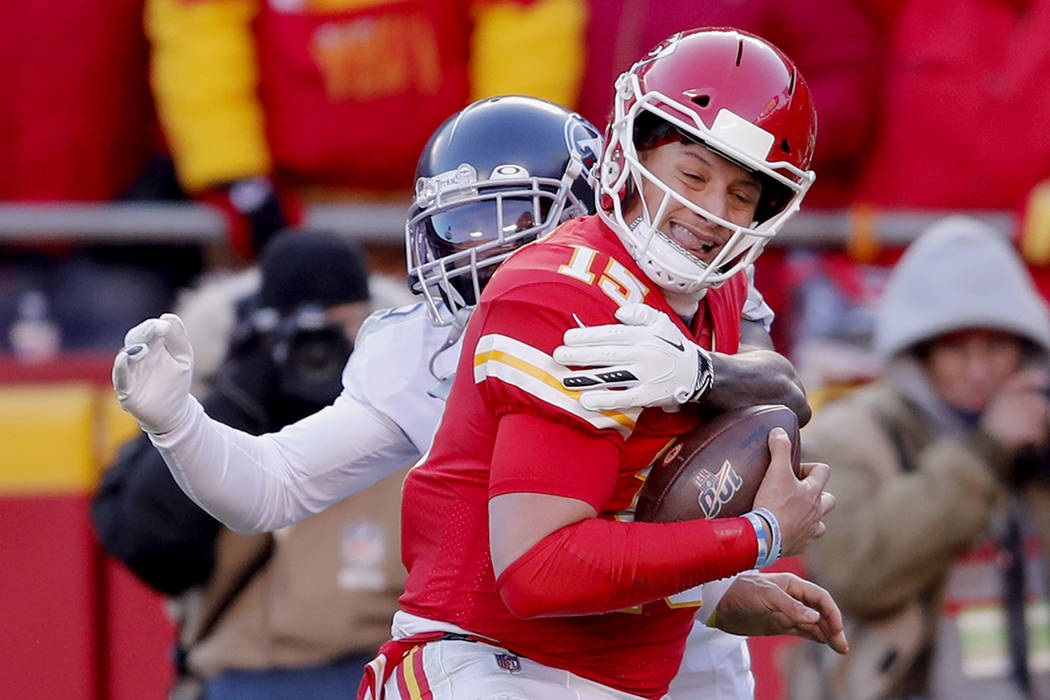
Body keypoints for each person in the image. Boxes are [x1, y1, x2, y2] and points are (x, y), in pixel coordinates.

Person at [113, 89, 841, 699]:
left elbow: (775, 399)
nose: (485, 259)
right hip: (506, 654)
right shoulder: (426, 347)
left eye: (519, 227)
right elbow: (270, 489)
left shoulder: (684, 281)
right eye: (463, 230)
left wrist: (694, 376)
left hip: (660, 642)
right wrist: (178, 422)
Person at [354, 28, 842, 700]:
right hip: (492, 666)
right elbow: (537, 569)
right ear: (632, 151)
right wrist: (755, 535)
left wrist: (717, 594)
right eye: (693, 174)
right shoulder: (559, 293)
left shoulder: (717, 288)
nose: (711, 213)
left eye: (742, 195)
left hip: (612, 675)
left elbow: (632, 515)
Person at [93, 230, 381, 698]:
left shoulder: (403, 401)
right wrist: (233, 398)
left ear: (372, 325)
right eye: (304, 333)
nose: (320, 349)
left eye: (340, 326)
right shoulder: (217, 396)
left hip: (373, 672)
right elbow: (145, 545)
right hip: (238, 673)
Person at [798, 216, 1050, 700]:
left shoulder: (1037, 423)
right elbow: (856, 573)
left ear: (1024, 348)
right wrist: (985, 453)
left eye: (995, 346)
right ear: (919, 351)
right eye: (956, 349)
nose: (979, 371)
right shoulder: (850, 435)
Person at [145, 0, 587, 257]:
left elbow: (525, 23)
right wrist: (235, 176)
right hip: (291, 212)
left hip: (452, 204)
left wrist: (502, 163)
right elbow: (199, 32)